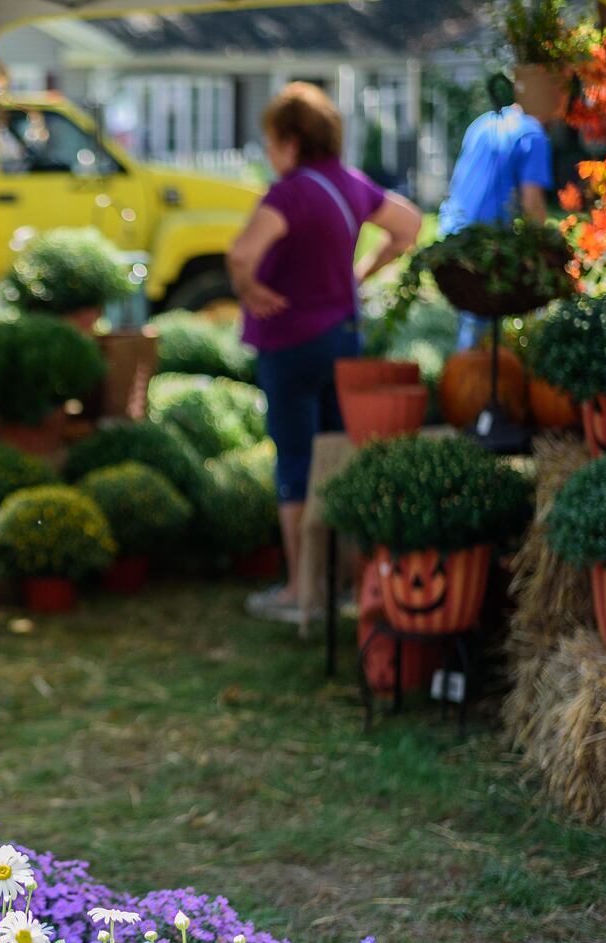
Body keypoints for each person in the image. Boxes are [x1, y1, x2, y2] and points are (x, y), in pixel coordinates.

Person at [229, 82, 423, 624]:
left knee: (296, 460)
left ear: (291, 141)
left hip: (289, 341)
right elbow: (408, 226)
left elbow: (242, 252)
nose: (269, 153)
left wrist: (249, 290)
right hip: (344, 336)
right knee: (340, 454)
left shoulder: (288, 193)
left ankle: (301, 590)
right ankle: (349, 581)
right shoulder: (351, 185)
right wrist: (362, 273)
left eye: (271, 141)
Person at [439, 77, 562, 348]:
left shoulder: (482, 123)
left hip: (451, 233)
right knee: (480, 328)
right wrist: (544, 252)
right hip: (484, 246)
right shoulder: (532, 135)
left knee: (474, 323)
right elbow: (533, 205)